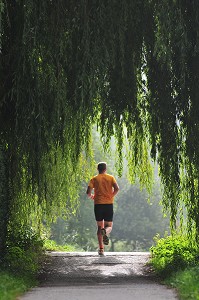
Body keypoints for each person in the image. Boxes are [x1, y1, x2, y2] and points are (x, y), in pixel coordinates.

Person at [86, 162, 119, 256]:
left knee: (100, 227)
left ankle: (101, 249)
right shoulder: (111, 178)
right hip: (108, 204)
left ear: (98, 169)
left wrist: (92, 196)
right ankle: (106, 232)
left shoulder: (94, 179)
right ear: (105, 169)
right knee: (109, 226)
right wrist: (111, 196)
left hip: (98, 205)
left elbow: (88, 192)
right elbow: (117, 188)